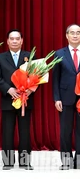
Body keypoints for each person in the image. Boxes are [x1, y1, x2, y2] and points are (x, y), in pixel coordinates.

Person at [0, 29, 34, 170]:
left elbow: (37, 76)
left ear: (22, 41)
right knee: (8, 132)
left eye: (17, 39)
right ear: (8, 41)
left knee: (25, 132)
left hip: (25, 100)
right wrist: (8, 89)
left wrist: (29, 88)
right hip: (8, 100)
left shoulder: (30, 56)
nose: (14, 41)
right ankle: (8, 162)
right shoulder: (0, 58)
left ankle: (25, 162)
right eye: (12, 39)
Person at [52, 24, 80, 170]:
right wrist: (57, 98)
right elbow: (55, 78)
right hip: (65, 97)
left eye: (78, 33)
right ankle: (67, 161)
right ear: (67, 36)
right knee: (65, 131)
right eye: (72, 33)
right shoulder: (59, 54)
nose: (75, 35)